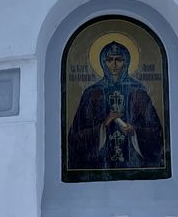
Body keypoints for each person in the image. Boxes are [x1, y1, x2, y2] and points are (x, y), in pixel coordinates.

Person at [67, 40, 164, 173]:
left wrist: (135, 131)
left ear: (126, 62)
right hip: (100, 164)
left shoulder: (138, 92)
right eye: (109, 59)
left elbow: (157, 133)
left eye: (118, 59)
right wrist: (103, 126)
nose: (114, 64)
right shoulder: (91, 93)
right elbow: (74, 138)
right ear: (103, 62)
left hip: (133, 163)